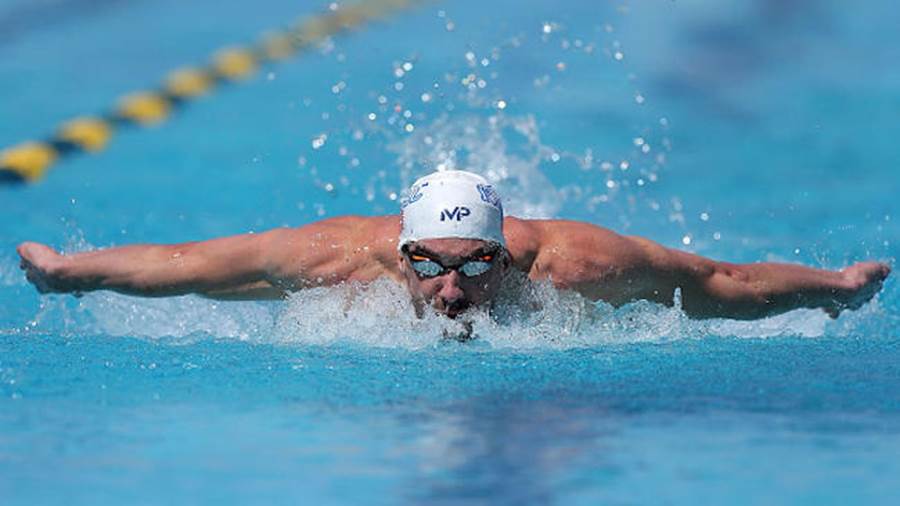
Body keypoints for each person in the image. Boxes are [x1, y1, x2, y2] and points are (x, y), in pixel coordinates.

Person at [17, 170, 890, 322]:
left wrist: (835, 287)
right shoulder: (342, 255)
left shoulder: (576, 265)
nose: (451, 292)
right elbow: (187, 265)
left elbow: (724, 280)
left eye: (476, 267)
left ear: (506, 258)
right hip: (337, 273)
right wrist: (69, 275)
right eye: (428, 267)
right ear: (401, 253)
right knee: (249, 284)